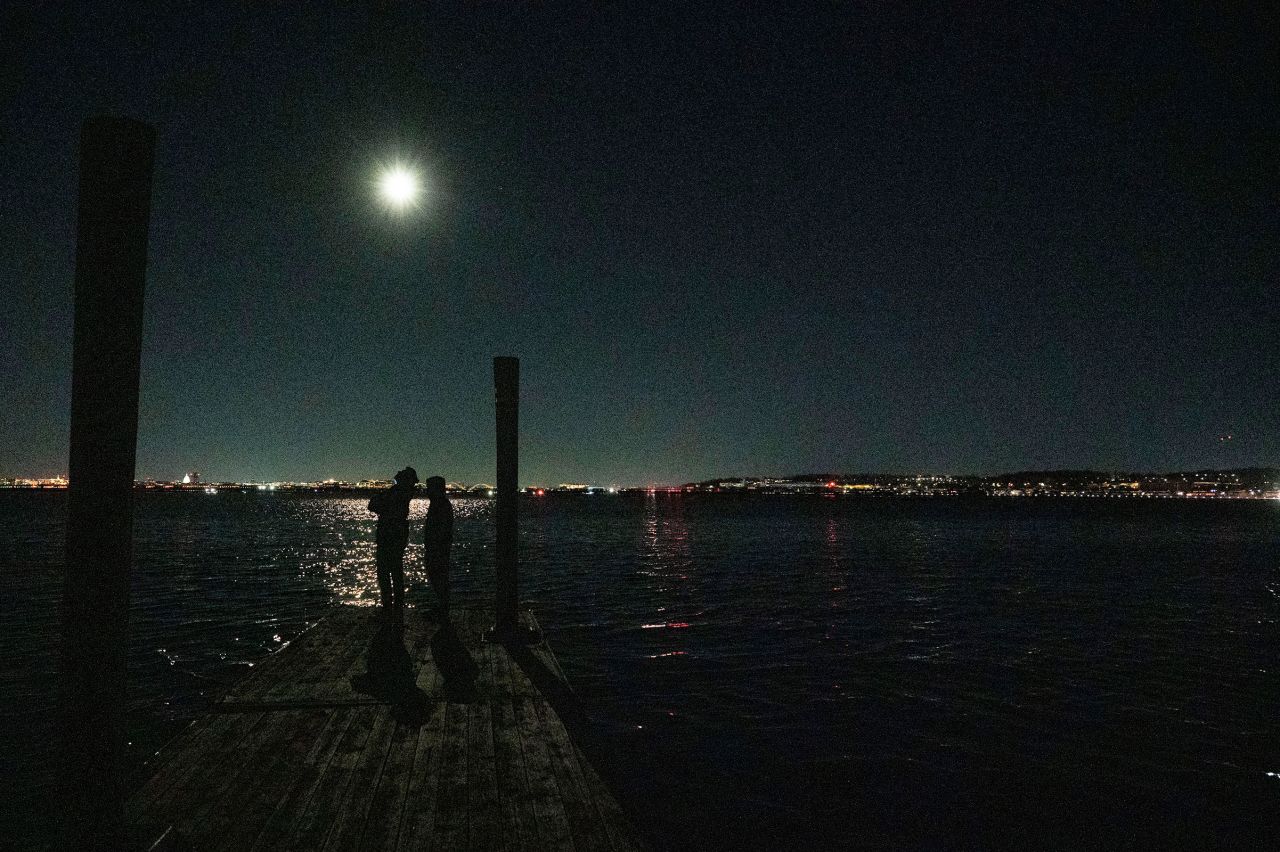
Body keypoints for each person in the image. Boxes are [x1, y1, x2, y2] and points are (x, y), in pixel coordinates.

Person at [368, 467, 417, 624]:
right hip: (397, 536)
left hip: (389, 536)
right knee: (396, 571)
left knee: (385, 571)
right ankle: (396, 605)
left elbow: (373, 504)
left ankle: (389, 606)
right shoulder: (403, 493)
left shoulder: (397, 493)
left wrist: (380, 496)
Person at [422, 475, 454, 620]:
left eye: (429, 488)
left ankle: (443, 610)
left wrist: (434, 545)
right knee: (439, 578)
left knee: (438, 578)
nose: (427, 491)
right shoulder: (441, 503)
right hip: (439, 548)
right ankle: (442, 607)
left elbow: (441, 529)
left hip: (438, 549)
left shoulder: (440, 505)